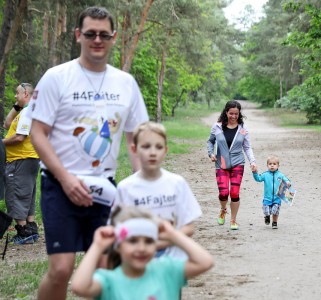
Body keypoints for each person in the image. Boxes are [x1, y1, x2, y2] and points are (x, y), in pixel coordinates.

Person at [28, 7, 149, 300]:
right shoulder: (57, 77)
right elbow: (37, 133)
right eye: (91, 34)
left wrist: (141, 185)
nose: (97, 40)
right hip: (60, 185)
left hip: (106, 188)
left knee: (109, 266)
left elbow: (137, 138)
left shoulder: (125, 83)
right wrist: (66, 179)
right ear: (78, 35)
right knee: (61, 269)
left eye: (104, 35)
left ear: (114, 38)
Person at [71, 206, 214, 299]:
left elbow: (205, 262)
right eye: (132, 241)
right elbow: (79, 287)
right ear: (119, 245)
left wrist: (172, 235)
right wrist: (97, 246)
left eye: (149, 241)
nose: (141, 248)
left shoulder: (165, 270)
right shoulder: (109, 280)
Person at [113, 121, 202, 259]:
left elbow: (189, 227)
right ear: (134, 149)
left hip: (172, 262)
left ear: (165, 150)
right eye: (146, 146)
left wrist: (162, 242)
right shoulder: (125, 188)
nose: (153, 153)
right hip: (137, 261)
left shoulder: (176, 183)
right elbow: (117, 229)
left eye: (159, 147)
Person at [207, 100, 256, 230]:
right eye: (231, 113)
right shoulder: (217, 127)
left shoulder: (243, 128)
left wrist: (253, 162)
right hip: (221, 162)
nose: (233, 116)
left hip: (238, 162)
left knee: (234, 193)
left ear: (239, 114)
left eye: (236, 114)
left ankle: (233, 220)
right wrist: (210, 153)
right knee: (223, 192)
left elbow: (247, 147)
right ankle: (223, 210)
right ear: (226, 112)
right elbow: (210, 142)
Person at [2, 83, 40, 244]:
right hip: (29, 158)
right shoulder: (27, 111)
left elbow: (19, 137)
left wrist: (0, 143)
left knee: (15, 193)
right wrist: (17, 106)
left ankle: (24, 233)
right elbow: (7, 124)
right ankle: (31, 228)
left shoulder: (27, 112)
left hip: (21, 158)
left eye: (17, 93)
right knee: (27, 193)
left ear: (25, 93)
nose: (15, 96)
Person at [252, 155, 291, 229]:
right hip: (267, 198)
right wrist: (255, 173)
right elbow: (258, 179)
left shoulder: (280, 175)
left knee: (275, 211)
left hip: (277, 197)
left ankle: (274, 222)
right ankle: (267, 216)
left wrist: (288, 182)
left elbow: (286, 180)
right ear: (267, 165)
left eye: (274, 164)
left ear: (278, 165)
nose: (272, 165)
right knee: (266, 211)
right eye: (270, 164)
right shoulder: (265, 174)